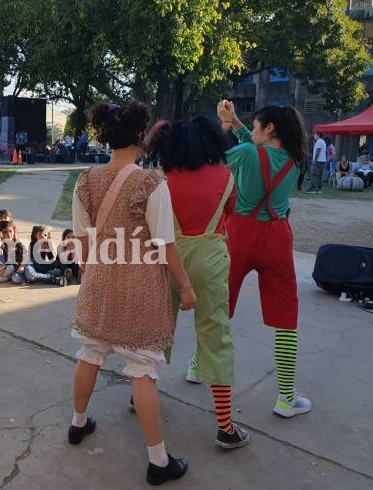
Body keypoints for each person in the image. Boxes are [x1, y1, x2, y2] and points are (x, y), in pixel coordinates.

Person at [70, 101, 194, 485]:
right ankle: (158, 461)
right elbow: (165, 243)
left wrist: (93, 272)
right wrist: (186, 286)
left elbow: (82, 240)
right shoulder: (151, 182)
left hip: (98, 281)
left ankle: (77, 424)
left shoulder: (85, 179)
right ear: (141, 138)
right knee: (142, 369)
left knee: (90, 352)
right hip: (140, 287)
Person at [146, 116, 249, 448]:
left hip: (167, 261)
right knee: (216, 336)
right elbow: (230, 212)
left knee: (157, 331)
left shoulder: (161, 180)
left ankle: (141, 393)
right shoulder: (225, 176)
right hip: (211, 260)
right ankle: (225, 426)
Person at [218, 100, 312, 418]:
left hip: (239, 236)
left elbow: (218, 159)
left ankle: (198, 365)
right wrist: (238, 124)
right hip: (277, 236)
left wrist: (224, 126)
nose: (252, 131)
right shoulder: (296, 161)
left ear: (269, 128)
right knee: (286, 317)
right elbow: (257, 149)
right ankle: (286, 397)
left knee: (219, 309)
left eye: (257, 125)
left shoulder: (246, 154)